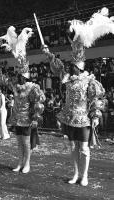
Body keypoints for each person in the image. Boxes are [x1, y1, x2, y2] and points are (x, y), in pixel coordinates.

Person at [42, 36, 105, 186]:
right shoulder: (68, 78)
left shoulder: (89, 80)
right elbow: (57, 66)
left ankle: (85, 176)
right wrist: (47, 53)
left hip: (83, 119)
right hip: (69, 118)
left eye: (72, 66)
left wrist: (95, 114)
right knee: (72, 147)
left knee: (83, 148)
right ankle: (76, 173)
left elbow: (97, 98)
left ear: (79, 67)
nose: (69, 67)